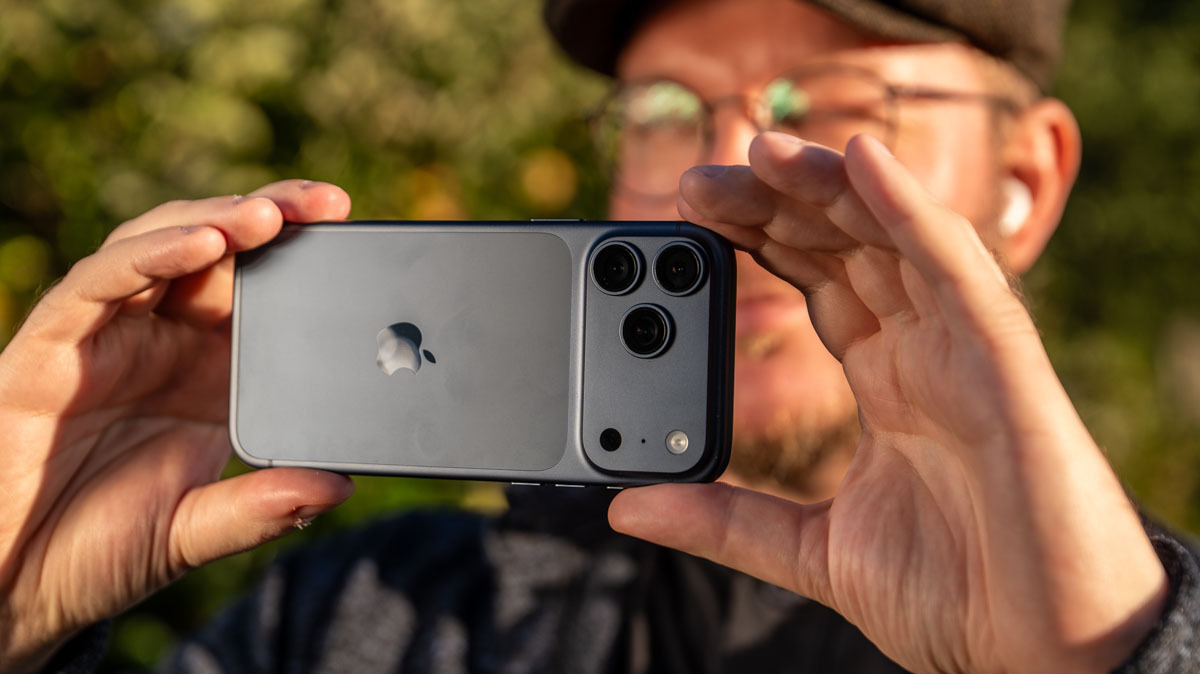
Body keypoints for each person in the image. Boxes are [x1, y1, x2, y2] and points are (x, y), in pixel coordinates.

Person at [1, 0, 1197, 672]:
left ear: (1025, 181)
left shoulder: (1128, 633)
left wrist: (1112, 662)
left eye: (830, 107)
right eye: (664, 110)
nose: (717, 171)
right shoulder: (371, 616)